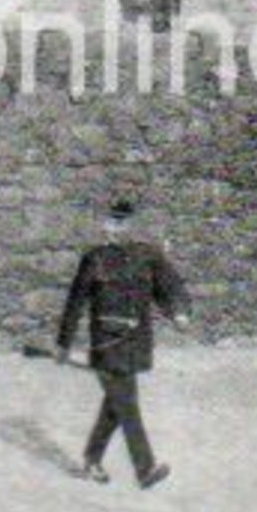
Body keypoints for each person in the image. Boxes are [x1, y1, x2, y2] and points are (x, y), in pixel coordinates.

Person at [56, 198, 190, 489]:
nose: (116, 228)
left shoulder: (148, 256)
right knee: (127, 403)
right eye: (112, 222)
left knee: (116, 404)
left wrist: (178, 311)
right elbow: (75, 303)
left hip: (135, 343)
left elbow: (170, 286)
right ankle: (145, 469)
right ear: (104, 225)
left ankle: (91, 459)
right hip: (106, 345)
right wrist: (64, 343)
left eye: (123, 222)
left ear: (133, 224)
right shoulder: (94, 259)